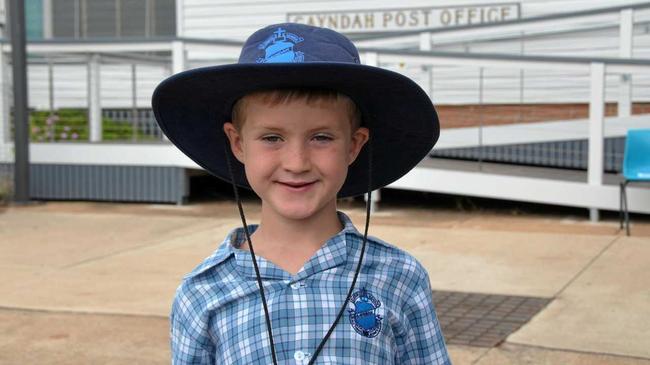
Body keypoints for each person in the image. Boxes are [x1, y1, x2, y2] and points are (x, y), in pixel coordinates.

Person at [152, 23, 451, 365]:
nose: (296, 163)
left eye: (321, 137)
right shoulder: (202, 293)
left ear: (354, 146)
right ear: (238, 143)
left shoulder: (398, 275)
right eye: (272, 138)